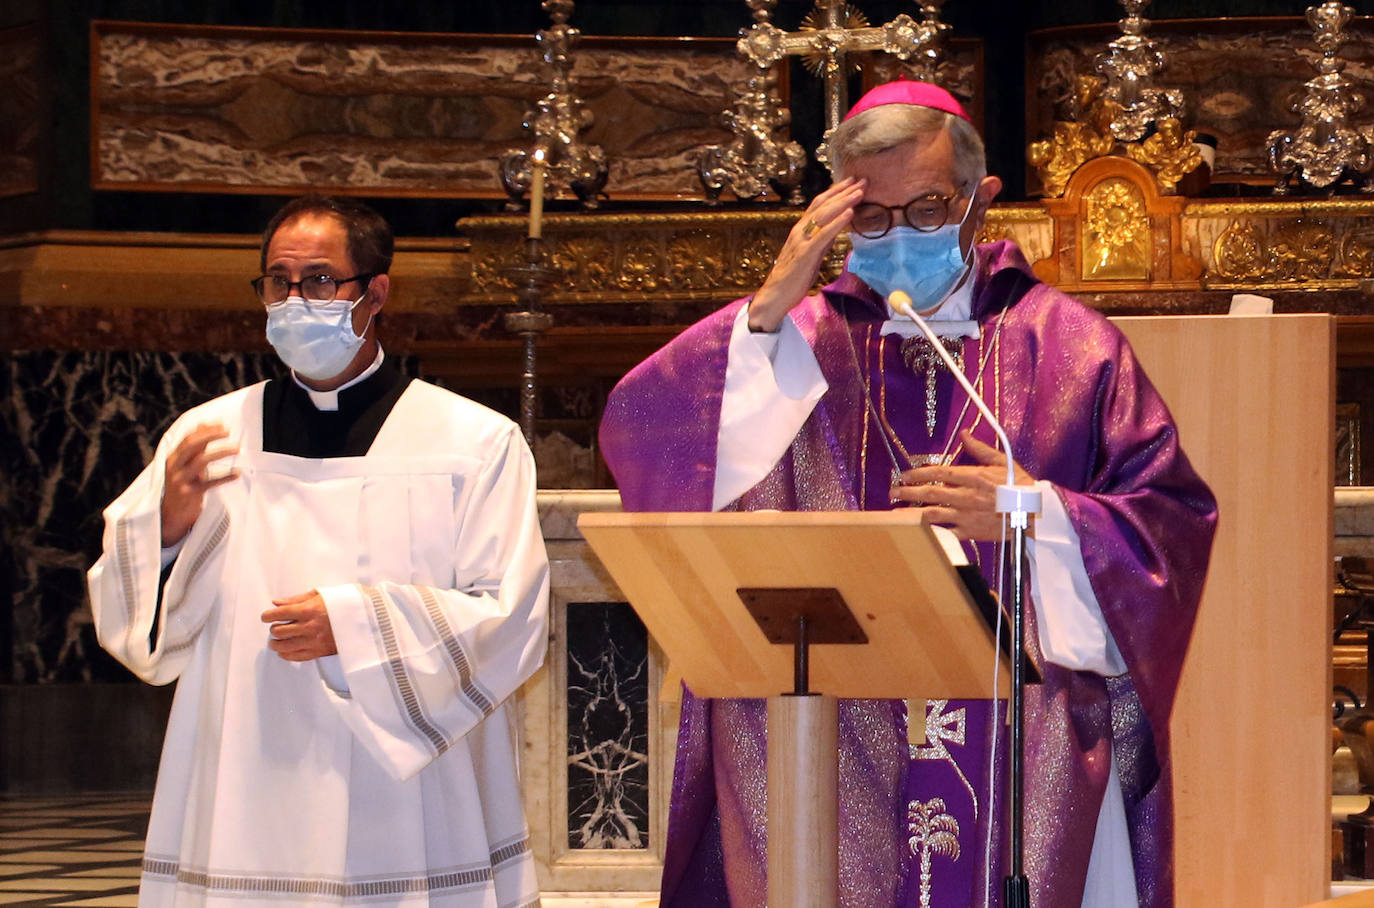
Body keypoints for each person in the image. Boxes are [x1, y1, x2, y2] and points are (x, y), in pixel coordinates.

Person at [599, 81, 1217, 908]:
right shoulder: (795, 345)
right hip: (828, 738)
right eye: (870, 219)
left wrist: (1038, 512)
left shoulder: (1068, 345)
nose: (898, 238)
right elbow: (643, 437)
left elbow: (1171, 525)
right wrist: (763, 313)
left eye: (926, 209)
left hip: (1017, 734)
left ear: (980, 200)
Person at [88, 196, 549, 907]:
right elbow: (138, 624)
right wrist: (169, 532)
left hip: (403, 784)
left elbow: (511, 614)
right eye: (279, 281)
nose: (297, 300)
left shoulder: (473, 443)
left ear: (376, 292)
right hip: (248, 764)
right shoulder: (209, 434)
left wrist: (357, 625)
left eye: (320, 281)